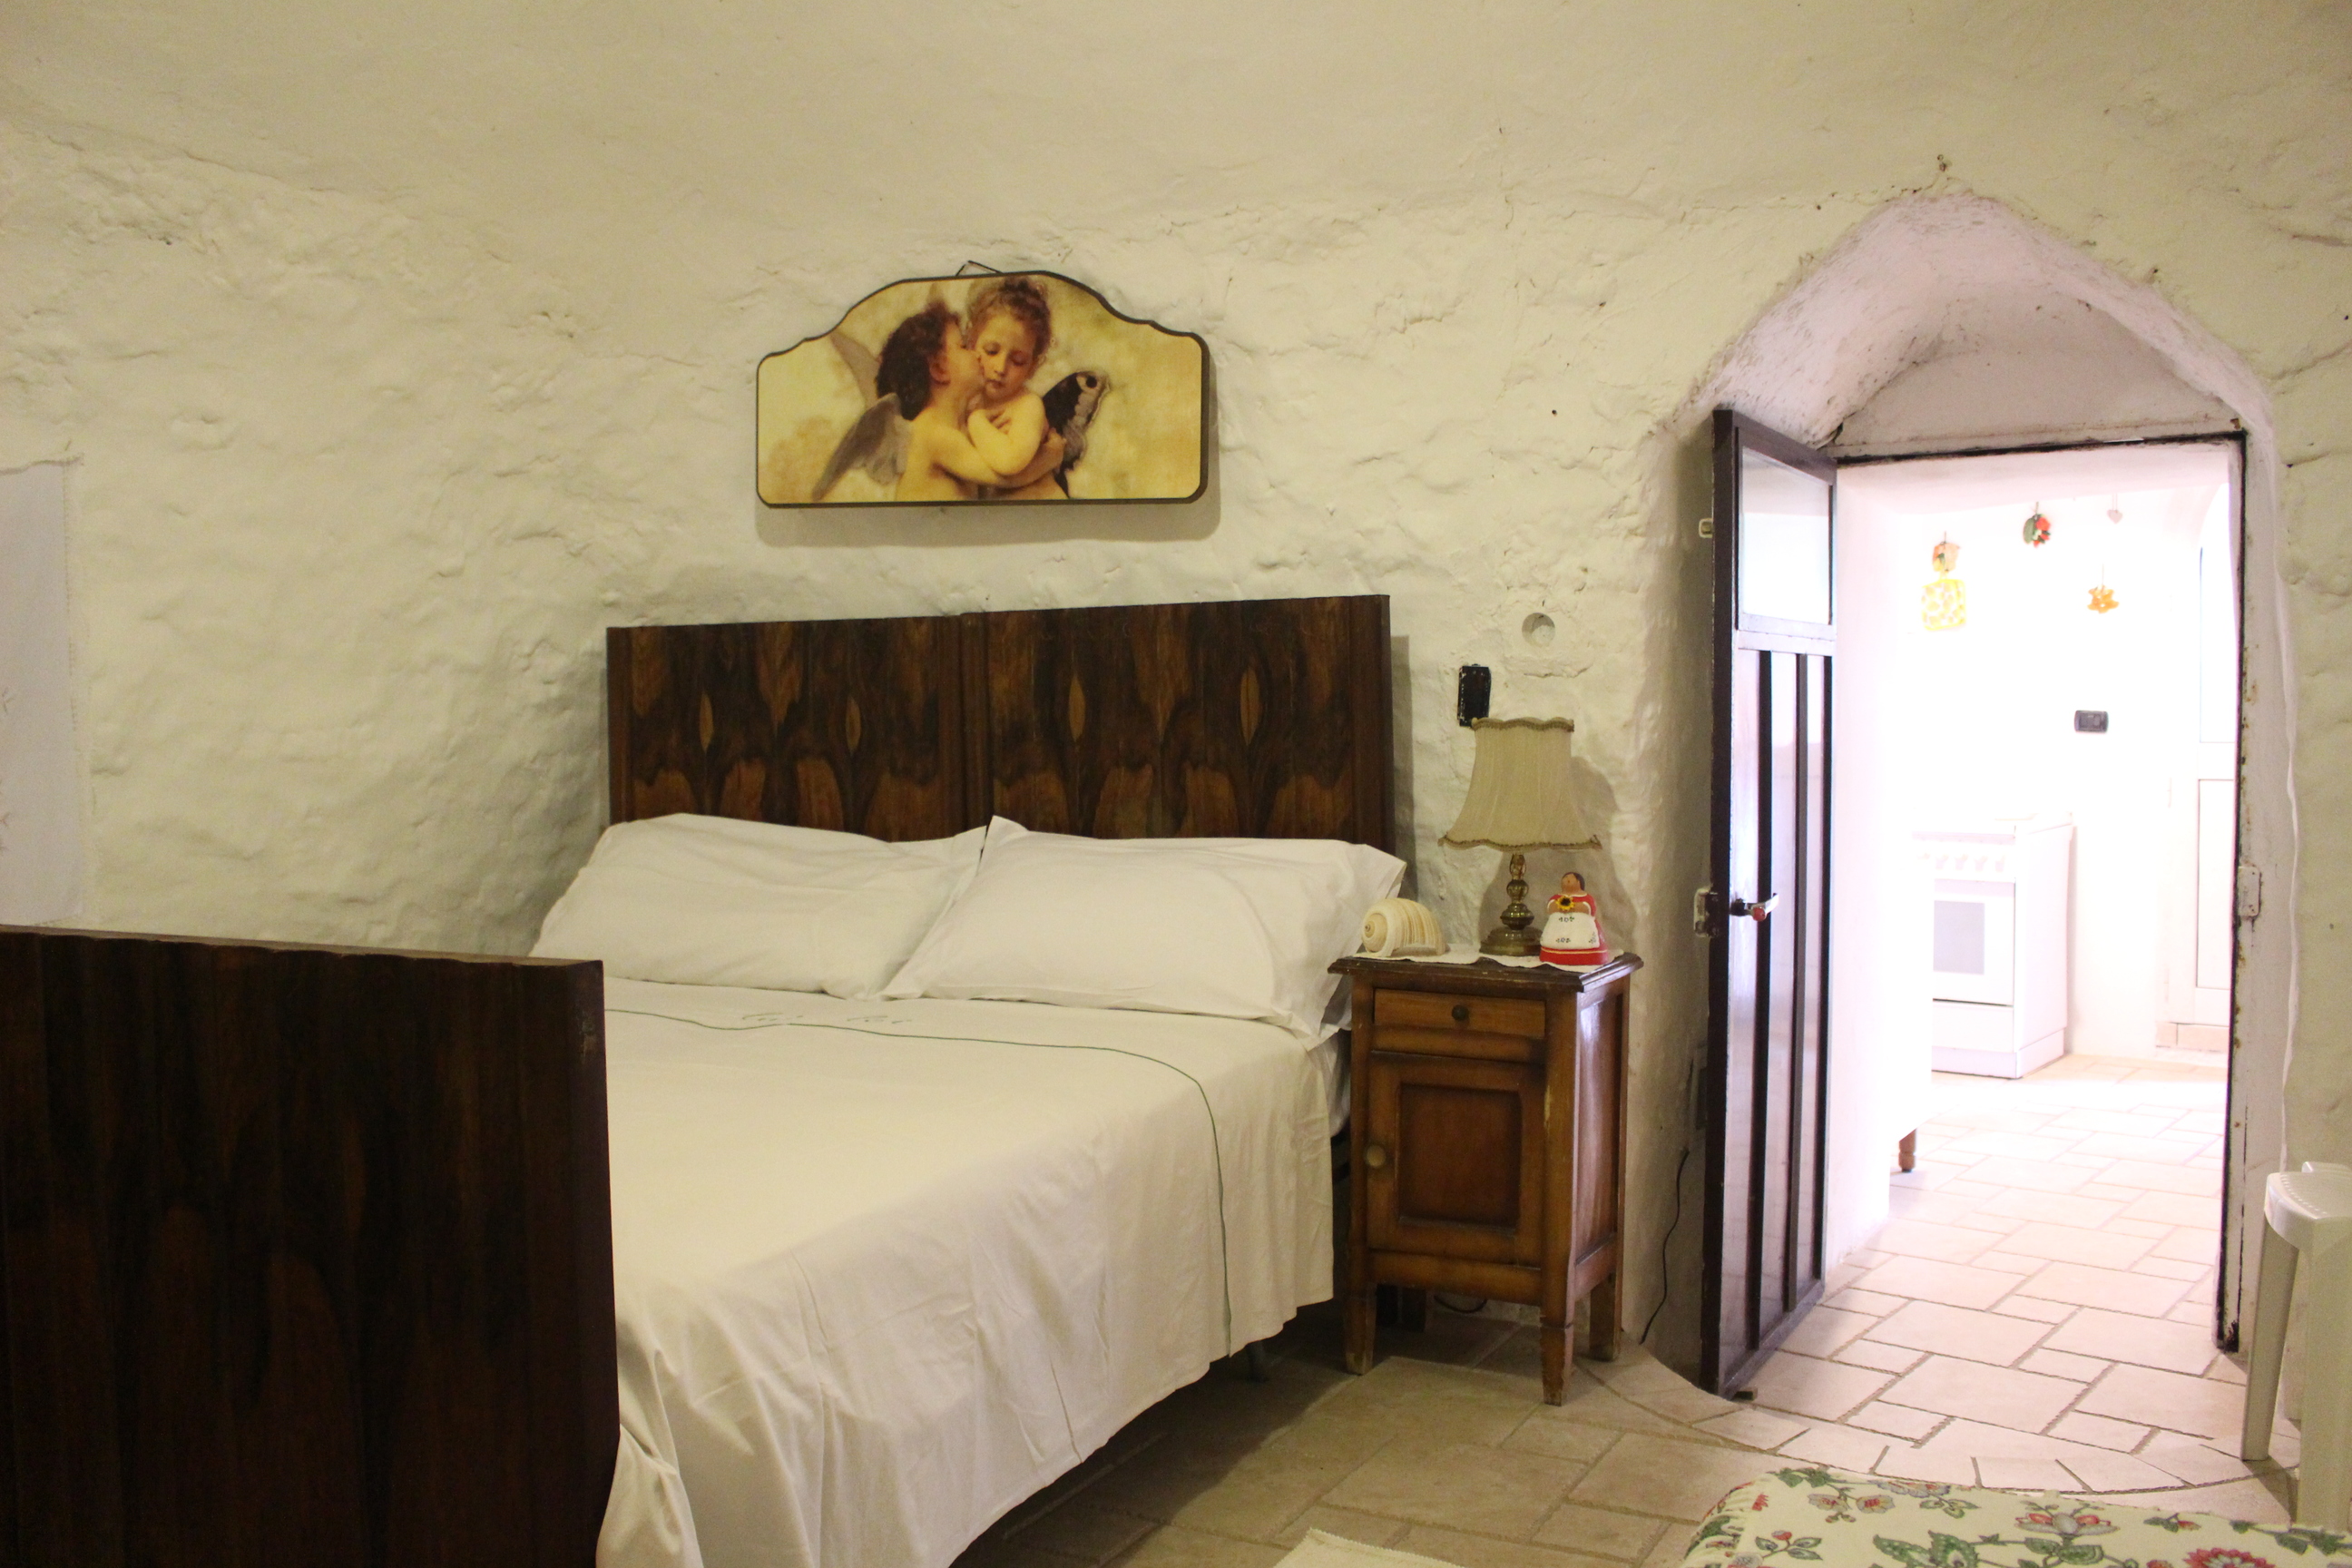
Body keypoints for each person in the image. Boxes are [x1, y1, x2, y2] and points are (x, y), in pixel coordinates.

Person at [870, 302, 1062, 502]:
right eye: (963, 347)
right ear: (939, 369)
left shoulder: (953, 427)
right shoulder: (933, 432)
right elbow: (1007, 477)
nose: (976, 354)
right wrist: (1050, 457)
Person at [960, 277, 1065, 501]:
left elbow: (1008, 462)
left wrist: (976, 420)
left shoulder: (1027, 405)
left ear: (1032, 366)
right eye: (991, 351)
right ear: (971, 343)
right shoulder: (964, 398)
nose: (1000, 368)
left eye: (1017, 361)